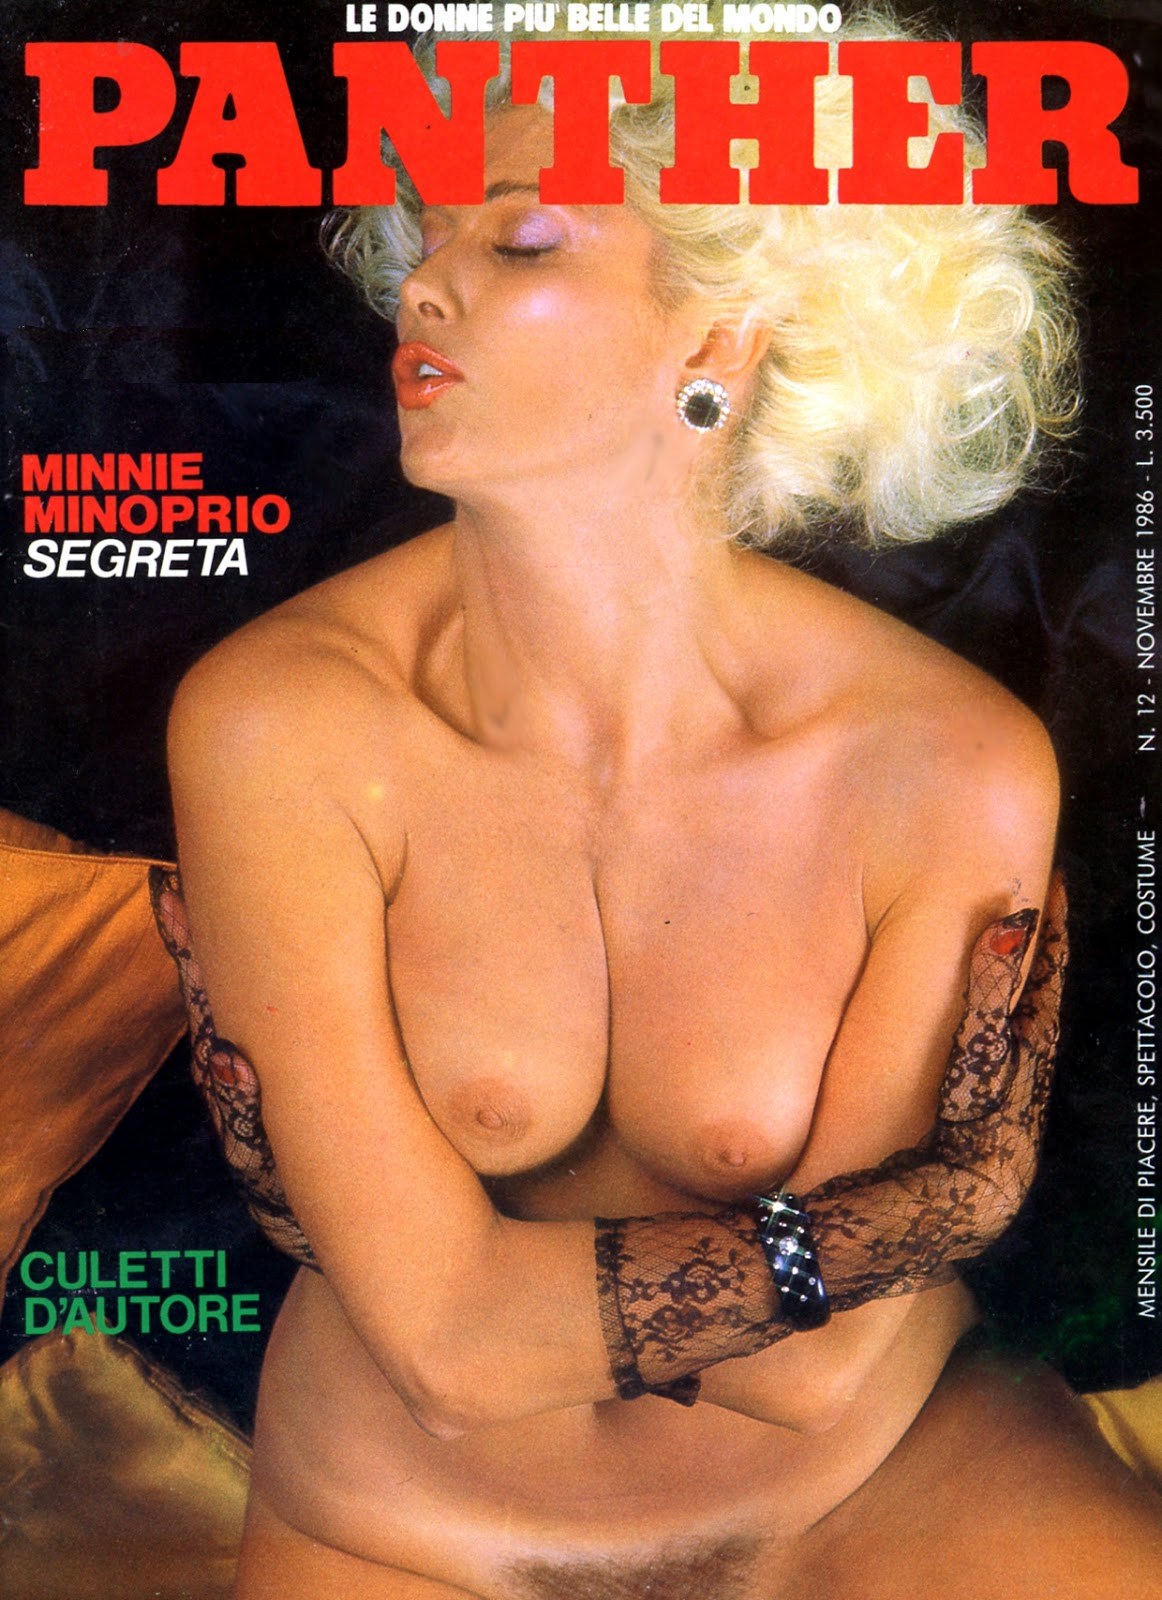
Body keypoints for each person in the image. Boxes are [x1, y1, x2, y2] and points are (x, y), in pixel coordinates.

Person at [152, 10, 1162, 1596]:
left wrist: (538, 1291)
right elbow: (442, 1353)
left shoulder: (947, 758)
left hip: (870, 1485)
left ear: (720, 341)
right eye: (430, 235)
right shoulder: (278, 722)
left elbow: (814, 1377)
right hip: (404, 1521)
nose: (425, 286)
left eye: (519, 239)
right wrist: (923, 1213)